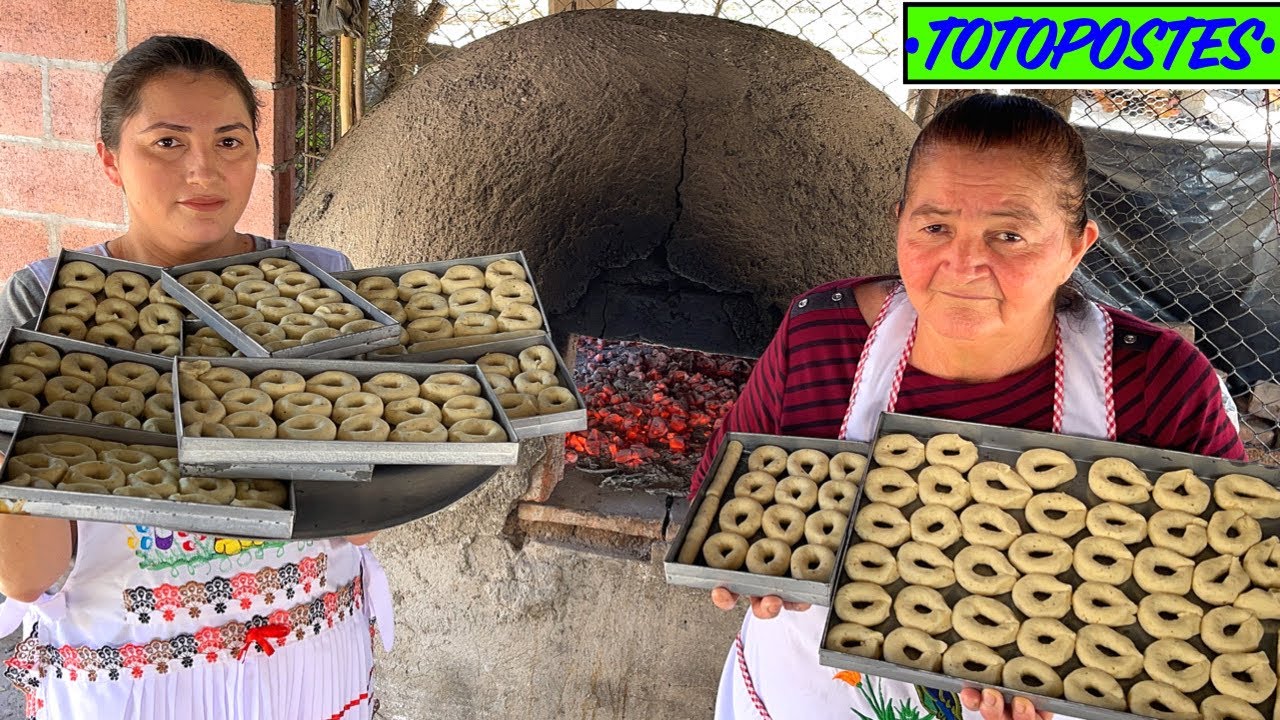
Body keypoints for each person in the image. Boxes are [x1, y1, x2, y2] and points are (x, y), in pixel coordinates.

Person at [691, 93, 1245, 720]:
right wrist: (745, 570)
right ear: (899, 221)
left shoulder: (1157, 383)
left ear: (1075, 246)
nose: (963, 263)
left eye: (1009, 235)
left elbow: (1228, 603)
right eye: (934, 227)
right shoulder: (821, 337)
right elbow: (720, 491)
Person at [0, 36, 390, 720]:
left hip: (304, 660)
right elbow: (28, 574)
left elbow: (358, 519)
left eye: (231, 141)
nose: (205, 170)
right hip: (128, 680)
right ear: (109, 159)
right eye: (168, 143)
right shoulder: (42, 304)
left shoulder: (322, 279)